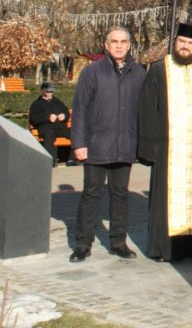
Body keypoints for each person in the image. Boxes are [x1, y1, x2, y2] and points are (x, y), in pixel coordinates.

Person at [137, 23, 192, 261]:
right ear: (175, 42)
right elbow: (147, 109)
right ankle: (165, 249)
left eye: (191, 43)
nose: (185, 46)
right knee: (167, 199)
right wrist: (149, 148)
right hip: (168, 148)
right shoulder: (158, 69)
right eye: (182, 42)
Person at [69, 26, 147, 263]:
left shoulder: (139, 73)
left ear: (130, 45)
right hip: (96, 144)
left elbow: (144, 110)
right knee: (91, 194)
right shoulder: (92, 72)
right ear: (106, 45)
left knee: (120, 194)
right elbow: (80, 108)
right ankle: (83, 244)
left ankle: (118, 242)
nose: (119, 45)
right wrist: (79, 143)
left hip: (125, 144)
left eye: (124, 41)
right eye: (114, 41)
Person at [29, 82, 73, 166]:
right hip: (46, 128)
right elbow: (33, 119)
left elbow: (66, 111)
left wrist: (64, 116)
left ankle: (73, 160)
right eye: (48, 91)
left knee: (76, 133)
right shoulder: (36, 104)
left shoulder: (57, 101)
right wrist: (48, 118)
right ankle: (50, 162)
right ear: (42, 91)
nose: (50, 93)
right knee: (49, 135)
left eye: (52, 91)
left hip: (60, 128)